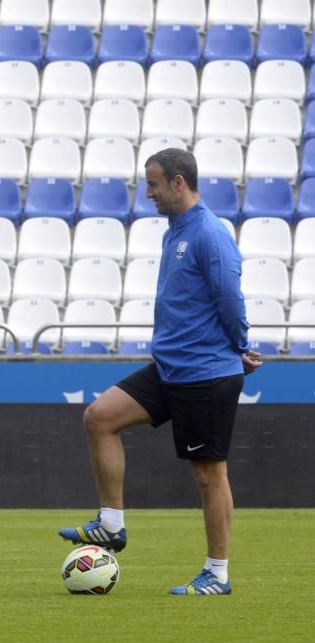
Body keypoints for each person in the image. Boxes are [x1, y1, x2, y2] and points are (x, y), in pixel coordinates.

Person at [58, 148, 263, 595]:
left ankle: (217, 574)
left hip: (204, 374)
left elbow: (231, 298)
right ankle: (112, 525)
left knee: (209, 475)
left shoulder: (209, 233)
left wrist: (240, 346)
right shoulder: (175, 232)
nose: (147, 193)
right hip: (170, 367)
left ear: (177, 182)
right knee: (99, 417)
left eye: (153, 184)